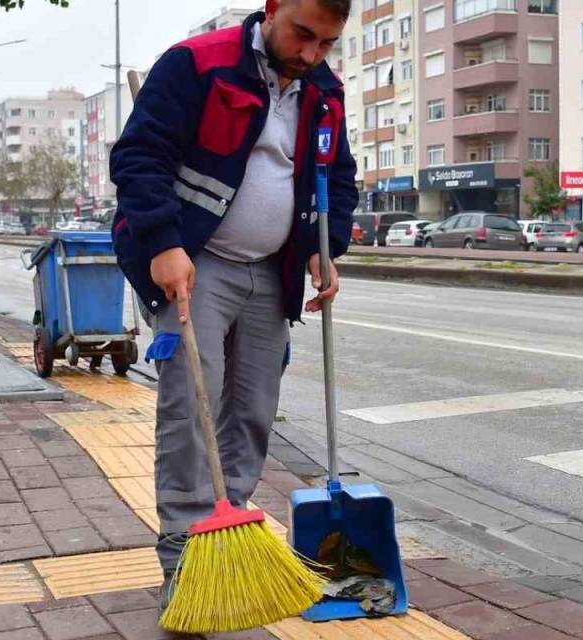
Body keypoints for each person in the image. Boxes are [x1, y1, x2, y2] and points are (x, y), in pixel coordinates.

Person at [108, 0, 357, 612]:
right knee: (192, 411)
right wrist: (163, 244)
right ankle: (185, 562)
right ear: (273, 10)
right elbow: (138, 159)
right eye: (302, 35)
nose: (310, 55)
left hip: (272, 274)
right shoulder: (197, 64)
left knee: (251, 411)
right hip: (198, 262)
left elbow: (340, 177)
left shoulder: (323, 90)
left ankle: (229, 541)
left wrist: (327, 250)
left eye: (325, 44)